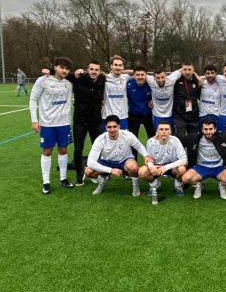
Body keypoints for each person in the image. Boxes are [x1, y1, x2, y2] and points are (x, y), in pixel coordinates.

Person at [29, 57, 75, 194]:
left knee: (63, 150)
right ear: (55, 67)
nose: (64, 71)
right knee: (47, 151)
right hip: (47, 123)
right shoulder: (43, 80)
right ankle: (46, 182)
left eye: (67, 68)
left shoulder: (69, 82)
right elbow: (33, 99)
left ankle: (63, 179)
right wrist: (34, 120)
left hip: (64, 123)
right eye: (62, 67)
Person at [84, 115, 152, 196]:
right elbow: (90, 162)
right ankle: (103, 181)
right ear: (106, 128)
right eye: (109, 127)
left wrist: (145, 155)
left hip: (125, 160)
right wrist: (110, 170)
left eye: (114, 126)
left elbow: (139, 146)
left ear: (119, 126)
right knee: (88, 171)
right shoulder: (100, 139)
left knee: (133, 167)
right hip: (107, 161)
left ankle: (135, 186)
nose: (112, 130)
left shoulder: (127, 135)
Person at [180, 117, 226, 199]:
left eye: (210, 129)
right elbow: (178, 139)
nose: (208, 132)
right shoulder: (194, 138)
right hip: (201, 167)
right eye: (205, 129)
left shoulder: (224, 137)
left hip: (219, 168)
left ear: (215, 129)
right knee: (185, 178)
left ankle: (222, 186)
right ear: (202, 130)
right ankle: (198, 185)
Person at [67, 60, 105, 186]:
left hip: (95, 121)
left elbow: (122, 72)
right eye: (91, 69)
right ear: (87, 69)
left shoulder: (102, 79)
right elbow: (63, 73)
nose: (94, 72)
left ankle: (95, 172)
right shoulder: (79, 78)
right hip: (80, 121)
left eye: (96, 69)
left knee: (98, 148)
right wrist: (49, 71)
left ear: (100, 71)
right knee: (78, 148)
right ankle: (79, 174)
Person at [138, 122, 188, 205]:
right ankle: (154, 184)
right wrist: (151, 166)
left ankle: (178, 185)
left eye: (166, 129)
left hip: (171, 167)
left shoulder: (175, 141)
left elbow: (184, 159)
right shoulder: (151, 141)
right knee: (141, 172)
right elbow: (149, 159)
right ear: (157, 131)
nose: (164, 132)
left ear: (170, 131)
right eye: (161, 129)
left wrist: (166, 167)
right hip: (156, 166)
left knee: (182, 169)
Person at [147, 67, 184, 132]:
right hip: (157, 115)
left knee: (171, 135)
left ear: (166, 76)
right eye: (158, 78)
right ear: (154, 78)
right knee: (159, 135)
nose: (160, 80)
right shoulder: (150, 81)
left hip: (171, 115)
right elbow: (136, 72)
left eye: (162, 77)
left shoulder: (171, 79)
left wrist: (198, 77)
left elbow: (185, 68)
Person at [101, 55, 132, 130]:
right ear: (111, 66)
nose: (118, 67)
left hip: (122, 116)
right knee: (107, 137)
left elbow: (136, 72)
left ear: (123, 67)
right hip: (107, 116)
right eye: (115, 65)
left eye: (120, 65)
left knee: (123, 137)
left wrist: (120, 71)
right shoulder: (104, 77)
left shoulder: (126, 77)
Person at [172, 62, 201, 136]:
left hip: (193, 117)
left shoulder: (197, 81)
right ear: (181, 70)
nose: (187, 72)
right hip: (179, 117)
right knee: (180, 139)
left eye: (189, 69)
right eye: (185, 69)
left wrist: (199, 81)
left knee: (193, 140)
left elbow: (200, 96)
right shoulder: (176, 80)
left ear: (193, 70)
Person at [126, 66, 154, 141]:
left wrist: (153, 100)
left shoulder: (151, 84)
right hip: (133, 116)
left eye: (142, 74)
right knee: (132, 139)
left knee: (152, 138)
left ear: (146, 75)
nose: (140, 77)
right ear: (134, 75)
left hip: (149, 116)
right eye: (137, 75)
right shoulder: (128, 84)